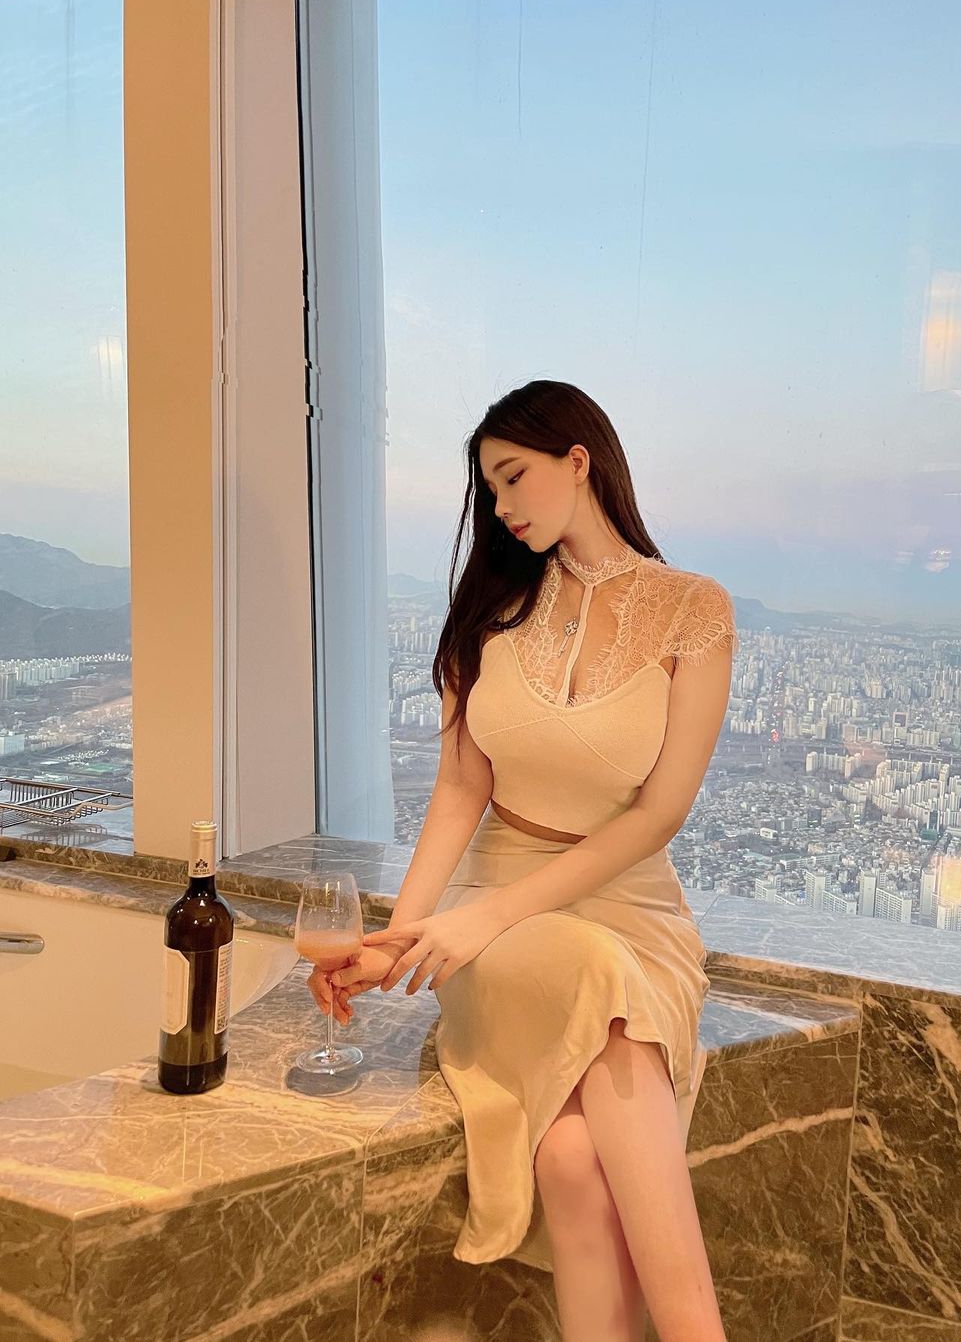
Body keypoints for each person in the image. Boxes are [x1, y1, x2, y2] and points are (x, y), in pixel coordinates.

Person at [307, 379, 736, 1342]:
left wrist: (478, 924)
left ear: (578, 461)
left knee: (575, 1162)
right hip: (497, 904)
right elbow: (461, 788)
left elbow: (658, 815)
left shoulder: (694, 611)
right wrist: (404, 937)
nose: (499, 506)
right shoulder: (492, 608)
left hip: (630, 909)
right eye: (489, 488)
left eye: (512, 476)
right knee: (591, 973)